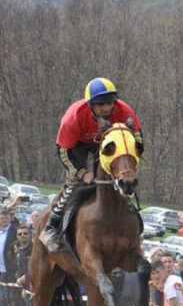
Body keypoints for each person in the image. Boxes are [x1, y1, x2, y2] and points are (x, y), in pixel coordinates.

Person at [40, 78, 144, 253]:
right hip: (75, 146)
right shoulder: (73, 117)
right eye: (100, 104)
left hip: (105, 144)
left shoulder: (124, 111)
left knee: (117, 178)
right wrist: (82, 172)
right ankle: (51, 226)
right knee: (77, 182)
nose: (106, 108)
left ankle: (128, 220)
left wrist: (127, 166)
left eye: (110, 103)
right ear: (90, 105)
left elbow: (138, 139)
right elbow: (64, 151)